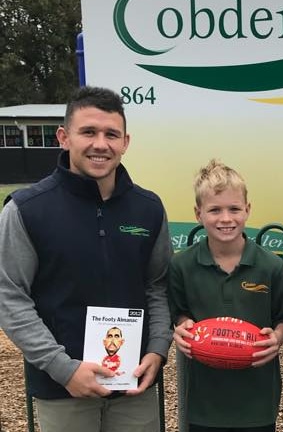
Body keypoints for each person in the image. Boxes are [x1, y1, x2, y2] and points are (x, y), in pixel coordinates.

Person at [0, 86, 173, 431]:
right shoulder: (27, 209)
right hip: (63, 390)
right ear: (64, 137)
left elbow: (157, 286)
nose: (100, 144)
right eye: (88, 132)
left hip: (133, 387)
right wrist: (63, 368)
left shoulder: (149, 209)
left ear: (125, 142)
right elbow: (10, 296)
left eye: (111, 134)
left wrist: (157, 348)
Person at [170, 158, 283, 432]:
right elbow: (178, 312)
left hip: (257, 400)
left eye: (234, 209)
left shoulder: (271, 266)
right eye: (214, 210)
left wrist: (278, 338)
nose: (226, 218)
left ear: (247, 210)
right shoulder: (182, 265)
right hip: (204, 402)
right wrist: (181, 324)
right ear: (198, 213)